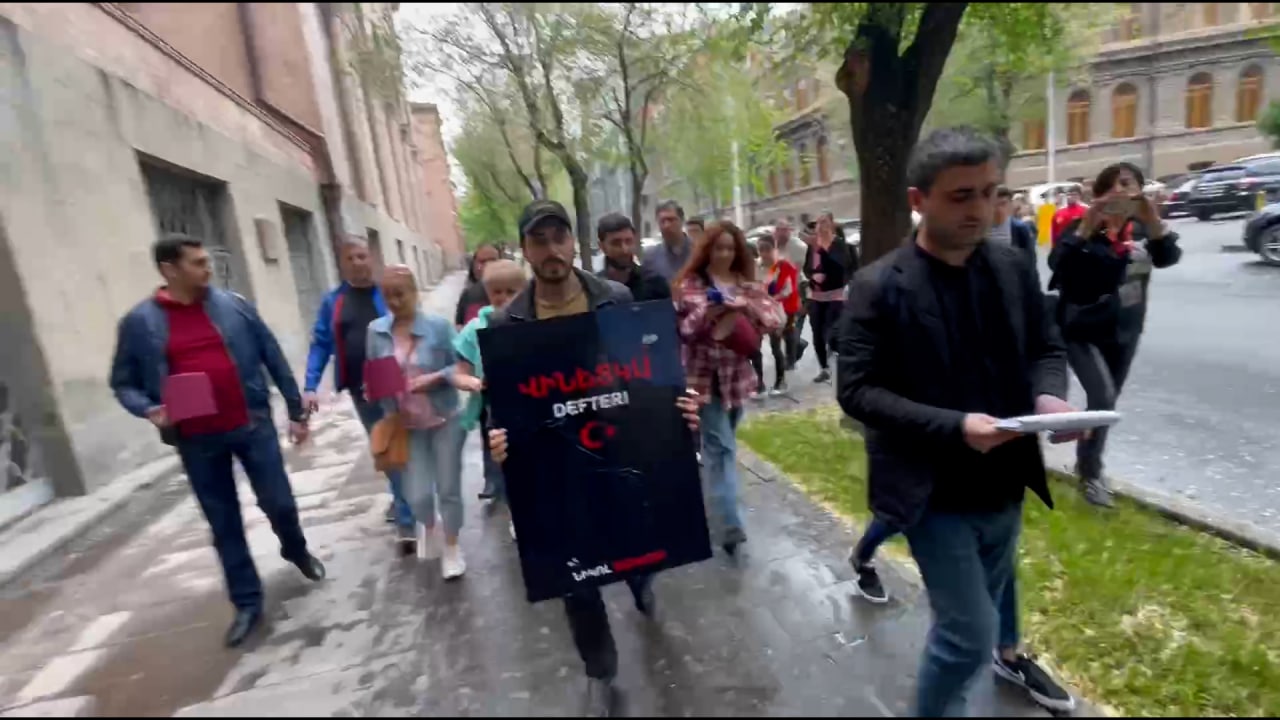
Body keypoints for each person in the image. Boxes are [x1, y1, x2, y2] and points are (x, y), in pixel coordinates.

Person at [837, 127, 1081, 716]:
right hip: (931, 492)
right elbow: (858, 391)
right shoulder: (877, 285)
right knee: (969, 635)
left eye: (991, 192)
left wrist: (1050, 396)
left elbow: (1046, 347)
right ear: (919, 200)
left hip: (1006, 483)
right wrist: (956, 425)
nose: (981, 210)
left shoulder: (1012, 266)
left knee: (981, 618)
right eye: (961, 196)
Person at [481, 199, 702, 717]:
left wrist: (678, 413)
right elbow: (504, 406)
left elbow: (645, 371)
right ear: (526, 249)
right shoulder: (509, 320)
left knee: (634, 538)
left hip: (620, 443)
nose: (552, 250)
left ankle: (642, 580)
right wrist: (500, 441)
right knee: (575, 573)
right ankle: (599, 668)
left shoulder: (613, 297)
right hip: (558, 463)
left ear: (572, 243)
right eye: (540, 241)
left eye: (559, 237)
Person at [109, 234, 324, 648]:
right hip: (197, 439)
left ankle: (295, 548)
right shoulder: (140, 323)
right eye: (197, 263)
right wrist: (150, 409)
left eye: (207, 260)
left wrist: (296, 411)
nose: (208, 268)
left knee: (279, 502)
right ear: (169, 270)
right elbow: (122, 383)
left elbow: (272, 355)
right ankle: (247, 603)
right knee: (223, 523)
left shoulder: (234, 305)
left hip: (251, 423)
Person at [1049, 162, 1181, 507]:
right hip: (1082, 328)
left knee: (1106, 403)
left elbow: (1168, 257)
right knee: (1103, 397)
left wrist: (1153, 220)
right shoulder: (1081, 227)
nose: (1121, 191)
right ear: (1100, 194)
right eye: (1114, 185)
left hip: (1126, 329)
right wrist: (1087, 227)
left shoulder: (1144, 230)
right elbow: (1057, 264)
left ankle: (1087, 462)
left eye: (1129, 184)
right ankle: (1091, 474)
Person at [674, 220, 785, 555]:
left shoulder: (745, 283)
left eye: (730, 248)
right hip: (702, 379)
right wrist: (710, 309)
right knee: (720, 448)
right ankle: (729, 526)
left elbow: (775, 317)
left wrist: (744, 306)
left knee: (723, 446)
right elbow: (685, 329)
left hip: (735, 379)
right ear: (707, 250)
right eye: (718, 248)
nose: (724, 254)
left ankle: (715, 507)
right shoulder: (692, 285)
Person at [301, 238, 413, 542]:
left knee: (404, 445)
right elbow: (321, 343)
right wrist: (310, 385)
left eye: (362, 256)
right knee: (384, 448)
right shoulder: (334, 301)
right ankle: (405, 508)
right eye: (350, 258)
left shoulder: (387, 293)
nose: (357, 262)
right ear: (342, 263)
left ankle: (408, 506)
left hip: (394, 381)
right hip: (359, 388)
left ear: (371, 258)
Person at [365, 265, 472, 579]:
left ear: (414, 292)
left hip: (444, 419)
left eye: (400, 294)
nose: (395, 302)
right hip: (406, 425)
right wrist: (374, 388)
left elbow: (460, 367)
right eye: (388, 296)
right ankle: (430, 525)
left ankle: (451, 547)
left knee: (448, 488)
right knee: (417, 495)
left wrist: (435, 377)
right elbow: (374, 370)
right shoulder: (376, 331)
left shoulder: (438, 327)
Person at [453, 259, 524, 534]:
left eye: (511, 291)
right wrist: (475, 383)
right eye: (497, 292)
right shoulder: (475, 329)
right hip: (496, 409)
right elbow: (458, 371)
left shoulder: (531, 320)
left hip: (532, 402)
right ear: (487, 293)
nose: (504, 298)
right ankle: (517, 515)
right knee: (506, 463)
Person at [803, 213, 854, 384]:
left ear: (832, 225)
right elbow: (807, 267)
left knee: (831, 332)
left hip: (835, 294)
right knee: (817, 333)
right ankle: (824, 368)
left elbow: (840, 267)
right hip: (817, 295)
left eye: (824, 222)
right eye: (818, 223)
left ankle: (845, 358)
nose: (821, 226)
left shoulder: (838, 244)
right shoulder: (813, 246)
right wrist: (812, 277)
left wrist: (821, 250)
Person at [756, 235, 799, 395]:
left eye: (767, 249)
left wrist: (773, 298)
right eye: (761, 250)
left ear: (773, 249)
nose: (764, 253)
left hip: (775, 311)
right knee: (755, 349)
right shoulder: (755, 266)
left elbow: (788, 290)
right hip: (758, 311)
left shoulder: (781, 266)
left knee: (775, 347)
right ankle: (759, 384)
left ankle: (780, 381)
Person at [596, 212, 671, 302]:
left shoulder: (655, 284)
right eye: (616, 243)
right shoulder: (594, 289)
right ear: (602, 247)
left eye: (628, 241)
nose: (625, 249)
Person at [991, 186, 1040, 277]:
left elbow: (1030, 264)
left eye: (1003, 204)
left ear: (1010, 205)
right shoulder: (980, 230)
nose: (999, 209)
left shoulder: (1020, 229)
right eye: (994, 205)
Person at [640, 199, 693, 283]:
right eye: (662, 221)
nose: (666, 225)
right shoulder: (650, 257)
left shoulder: (699, 251)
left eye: (671, 220)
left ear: (682, 220)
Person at [454, 243, 501, 328]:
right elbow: (459, 327)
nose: (488, 265)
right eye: (482, 261)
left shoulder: (516, 292)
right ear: (474, 265)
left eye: (493, 260)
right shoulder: (467, 295)